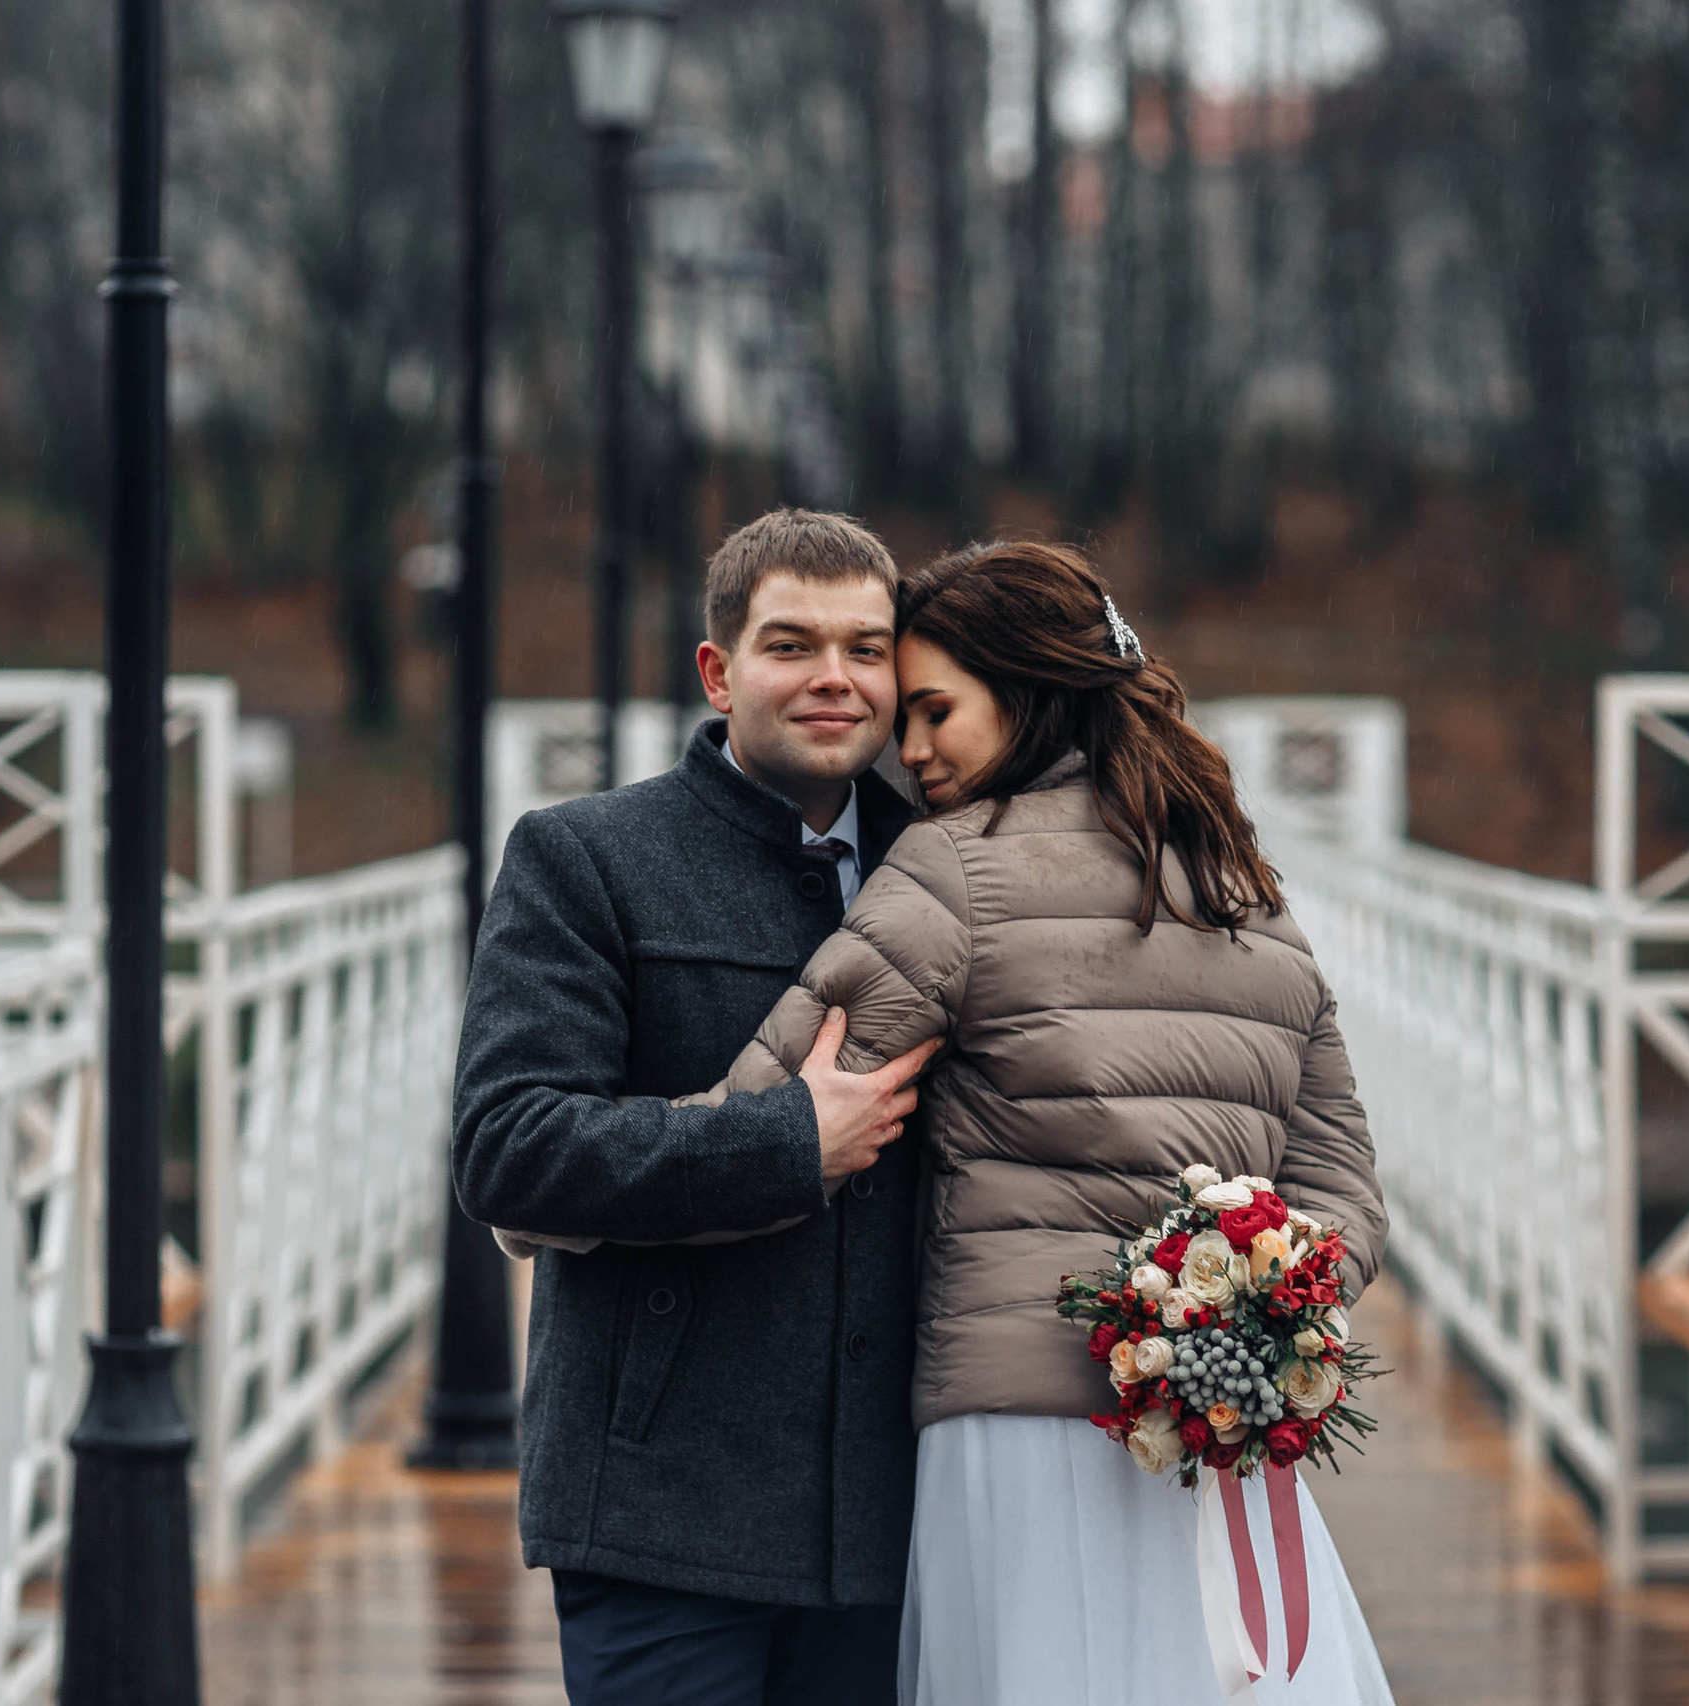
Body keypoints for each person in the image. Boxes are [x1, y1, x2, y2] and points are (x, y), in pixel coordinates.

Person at [695, 538, 1395, 1703]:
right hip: (1212, 1432)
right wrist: (1251, 1317)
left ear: (1025, 692)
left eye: (934, 712)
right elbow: (1345, 1191)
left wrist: (570, 1192)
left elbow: (768, 1104)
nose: (909, 754)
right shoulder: (1246, 891)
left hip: (1014, 1438)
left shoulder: (950, 868)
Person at [452, 509, 944, 1706]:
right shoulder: (583, 856)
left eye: (866, 648)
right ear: (719, 672)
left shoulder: (955, 865)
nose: (834, 676)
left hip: (899, 1509)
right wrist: (783, 1142)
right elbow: (509, 1148)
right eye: (792, 645)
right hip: (657, 1495)